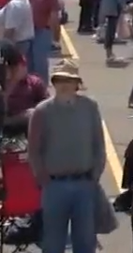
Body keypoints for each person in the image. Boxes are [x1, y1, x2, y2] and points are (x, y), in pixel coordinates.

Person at [28, 59, 104, 253]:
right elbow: (34, 149)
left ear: (77, 84)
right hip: (54, 186)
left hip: (84, 184)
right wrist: (42, 177)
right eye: (59, 80)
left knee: (85, 243)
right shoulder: (42, 111)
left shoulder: (90, 107)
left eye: (68, 80)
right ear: (53, 83)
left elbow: (98, 144)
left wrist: (94, 176)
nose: (64, 85)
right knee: (53, 243)